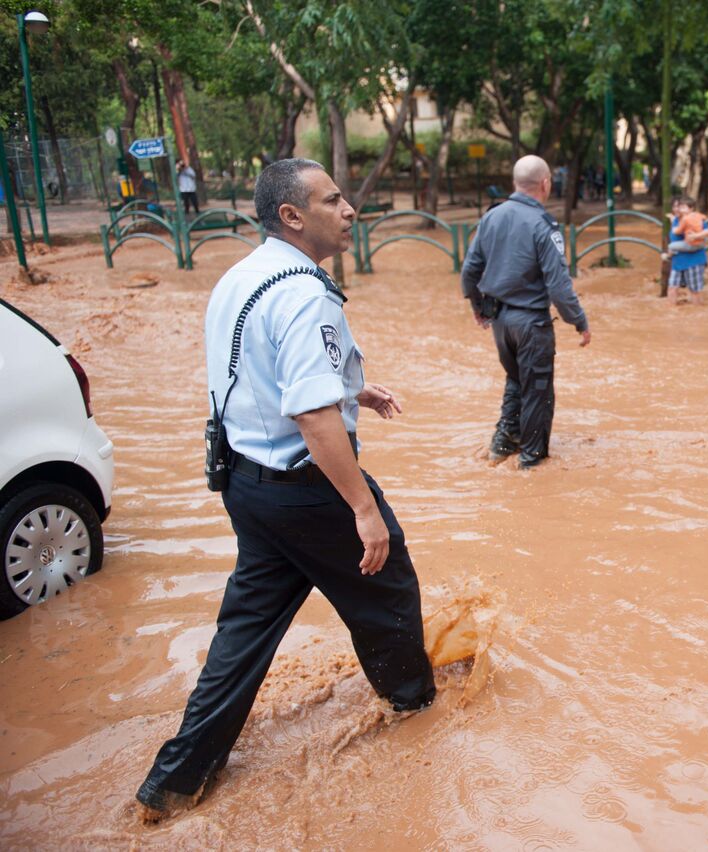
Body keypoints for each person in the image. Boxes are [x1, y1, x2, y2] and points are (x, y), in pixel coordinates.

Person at [134, 158, 435, 817]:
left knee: (245, 631)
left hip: (246, 481)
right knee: (388, 593)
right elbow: (311, 416)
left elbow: (259, 372)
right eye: (333, 200)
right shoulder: (303, 291)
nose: (350, 209)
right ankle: (417, 712)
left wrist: (354, 386)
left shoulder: (243, 274)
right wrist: (363, 508)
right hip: (309, 488)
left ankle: (175, 782)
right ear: (293, 216)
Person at [461, 155, 590, 469]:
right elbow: (559, 285)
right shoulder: (543, 225)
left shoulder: (491, 218)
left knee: (516, 379)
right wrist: (579, 321)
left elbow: (469, 271)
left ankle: (502, 444)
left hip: (500, 322)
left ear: (515, 183)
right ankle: (532, 462)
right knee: (538, 390)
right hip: (531, 322)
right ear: (546, 183)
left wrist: (478, 307)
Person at [664, 196, 708, 306]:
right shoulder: (675, 220)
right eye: (675, 207)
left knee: (694, 291)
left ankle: (697, 316)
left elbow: (707, 233)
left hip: (693, 261)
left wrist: (696, 236)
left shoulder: (696, 219)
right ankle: (671, 313)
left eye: (680, 206)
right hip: (677, 262)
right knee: (672, 288)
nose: (677, 209)